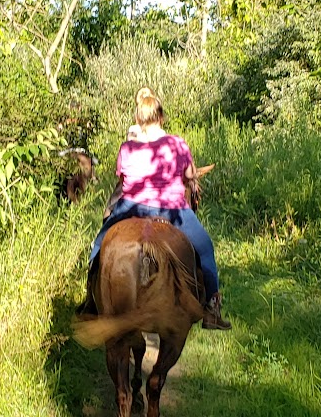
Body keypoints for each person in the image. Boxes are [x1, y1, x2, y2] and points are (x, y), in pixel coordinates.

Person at [79, 91, 231, 330]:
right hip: (172, 208)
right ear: (161, 117)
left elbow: (122, 177)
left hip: (131, 206)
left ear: (138, 119)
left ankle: (90, 300)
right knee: (205, 248)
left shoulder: (127, 148)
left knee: (99, 246)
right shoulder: (177, 144)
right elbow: (190, 175)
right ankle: (212, 308)